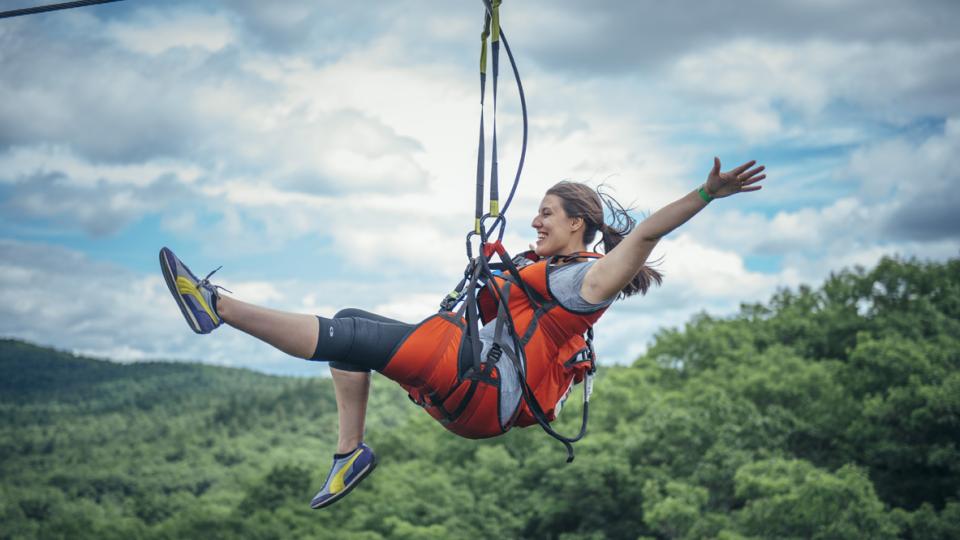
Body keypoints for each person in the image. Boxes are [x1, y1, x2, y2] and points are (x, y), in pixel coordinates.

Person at [159, 157, 766, 509]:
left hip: (483, 389)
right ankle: (350, 454)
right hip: (472, 385)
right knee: (350, 322)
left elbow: (644, 237)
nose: (536, 220)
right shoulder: (539, 269)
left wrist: (707, 193)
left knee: (350, 340)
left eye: (547, 213)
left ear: (578, 226)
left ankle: (217, 306)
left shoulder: (587, 282)